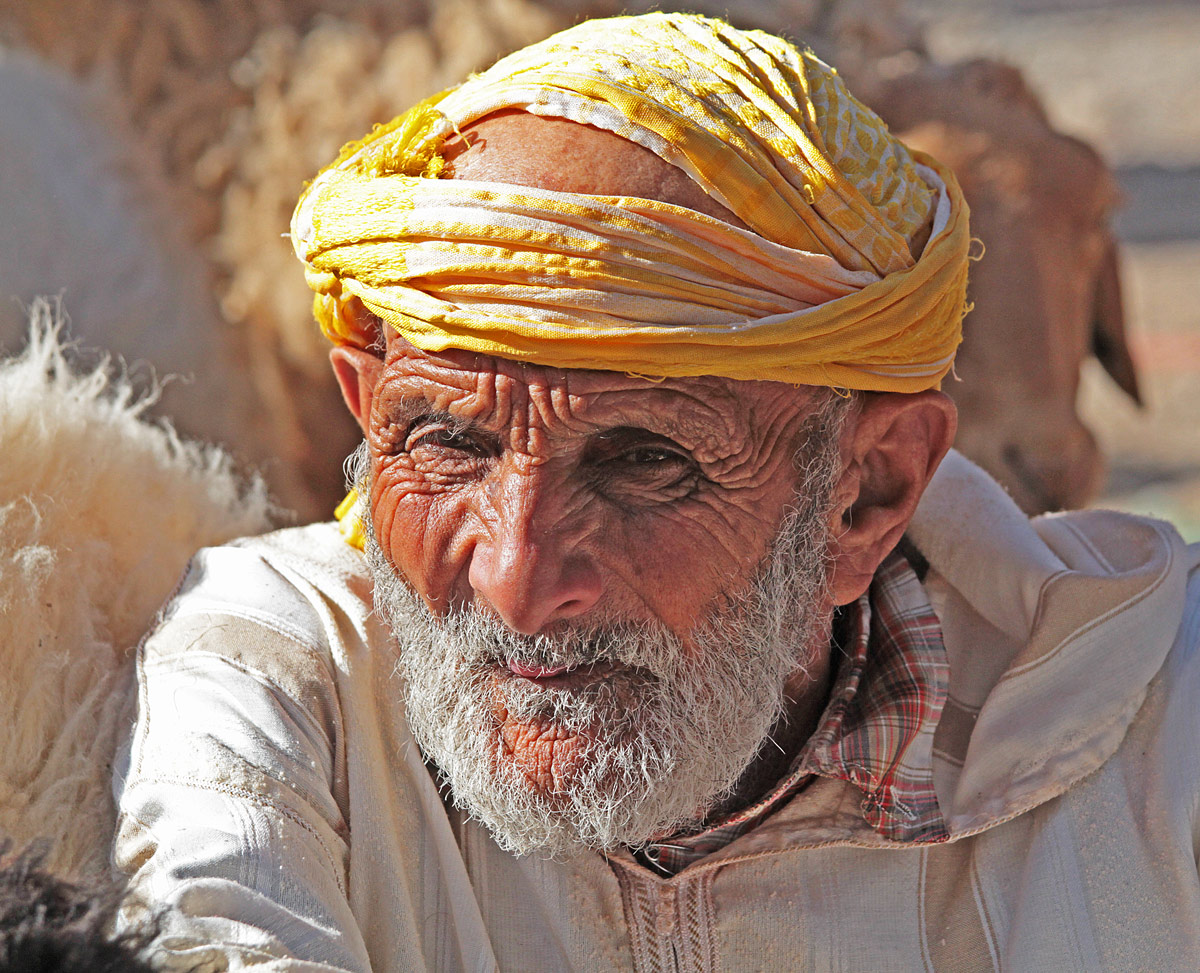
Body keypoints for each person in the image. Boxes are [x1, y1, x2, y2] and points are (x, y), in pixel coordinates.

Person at [113, 12, 1200, 971]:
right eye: (447, 441)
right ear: (365, 405)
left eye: (644, 462)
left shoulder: (1159, 730)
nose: (518, 581)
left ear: (869, 493)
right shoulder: (277, 680)